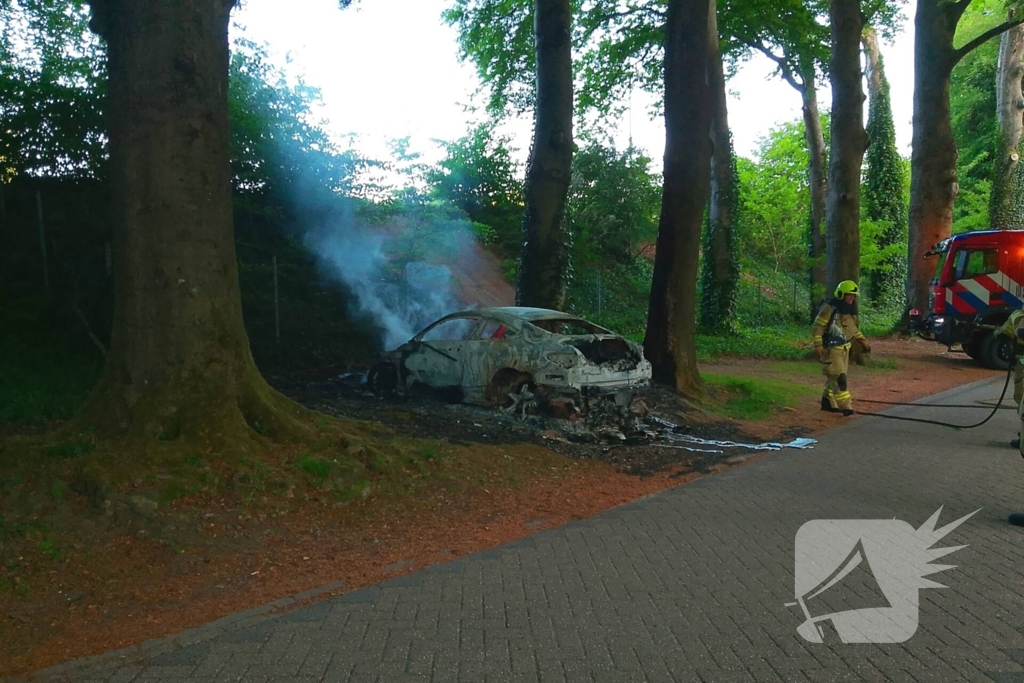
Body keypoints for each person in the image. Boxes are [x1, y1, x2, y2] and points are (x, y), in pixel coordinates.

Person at [812, 280, 870, 417]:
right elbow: (817, 327)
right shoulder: (829, 308)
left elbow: (853, 329)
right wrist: (818, 345)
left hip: (845, 348)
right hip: (832, 349)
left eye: (854, 296)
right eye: (849, 295)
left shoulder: (848, 311)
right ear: (840, 295)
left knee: (835, 375)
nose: (852, 299)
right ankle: (846, 406)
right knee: (839, 378)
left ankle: (827, 401)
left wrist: (863, 342)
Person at [995, 307, 1024, 447]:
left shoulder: (1018, 316)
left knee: (1022, 400)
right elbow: (1003, 333)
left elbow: (1003, 333)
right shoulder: (1017, 316)